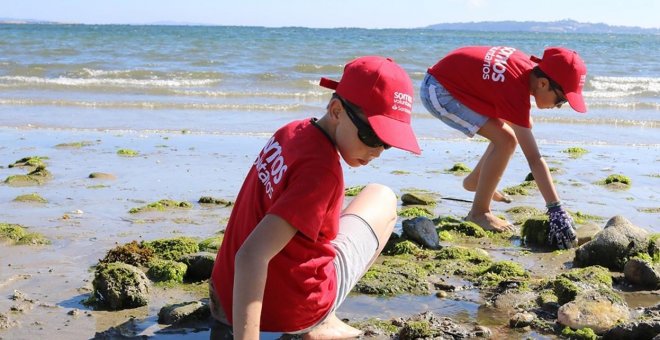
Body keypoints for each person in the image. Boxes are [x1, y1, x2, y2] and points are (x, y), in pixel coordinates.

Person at [209, 56, 421, 339]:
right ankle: (323, 321)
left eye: (388, 141)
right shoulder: (322, 172)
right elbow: (251, 255)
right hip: (290, 314)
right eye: (371, 136)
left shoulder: (290, 131)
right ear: (336, 111)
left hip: (224, 298)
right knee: (381, 197)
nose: (379, 150)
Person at [420, 46, 584, 248]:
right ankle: (479, 213)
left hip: (455, 83)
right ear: (542, 83)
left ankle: (476, 181)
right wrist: (555, 209)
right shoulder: (514, 89)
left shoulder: (523, 71)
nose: (559, 106)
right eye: (562, 100)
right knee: (506, 140)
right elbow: (534, 158)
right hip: (439, 91)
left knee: (513, 131)